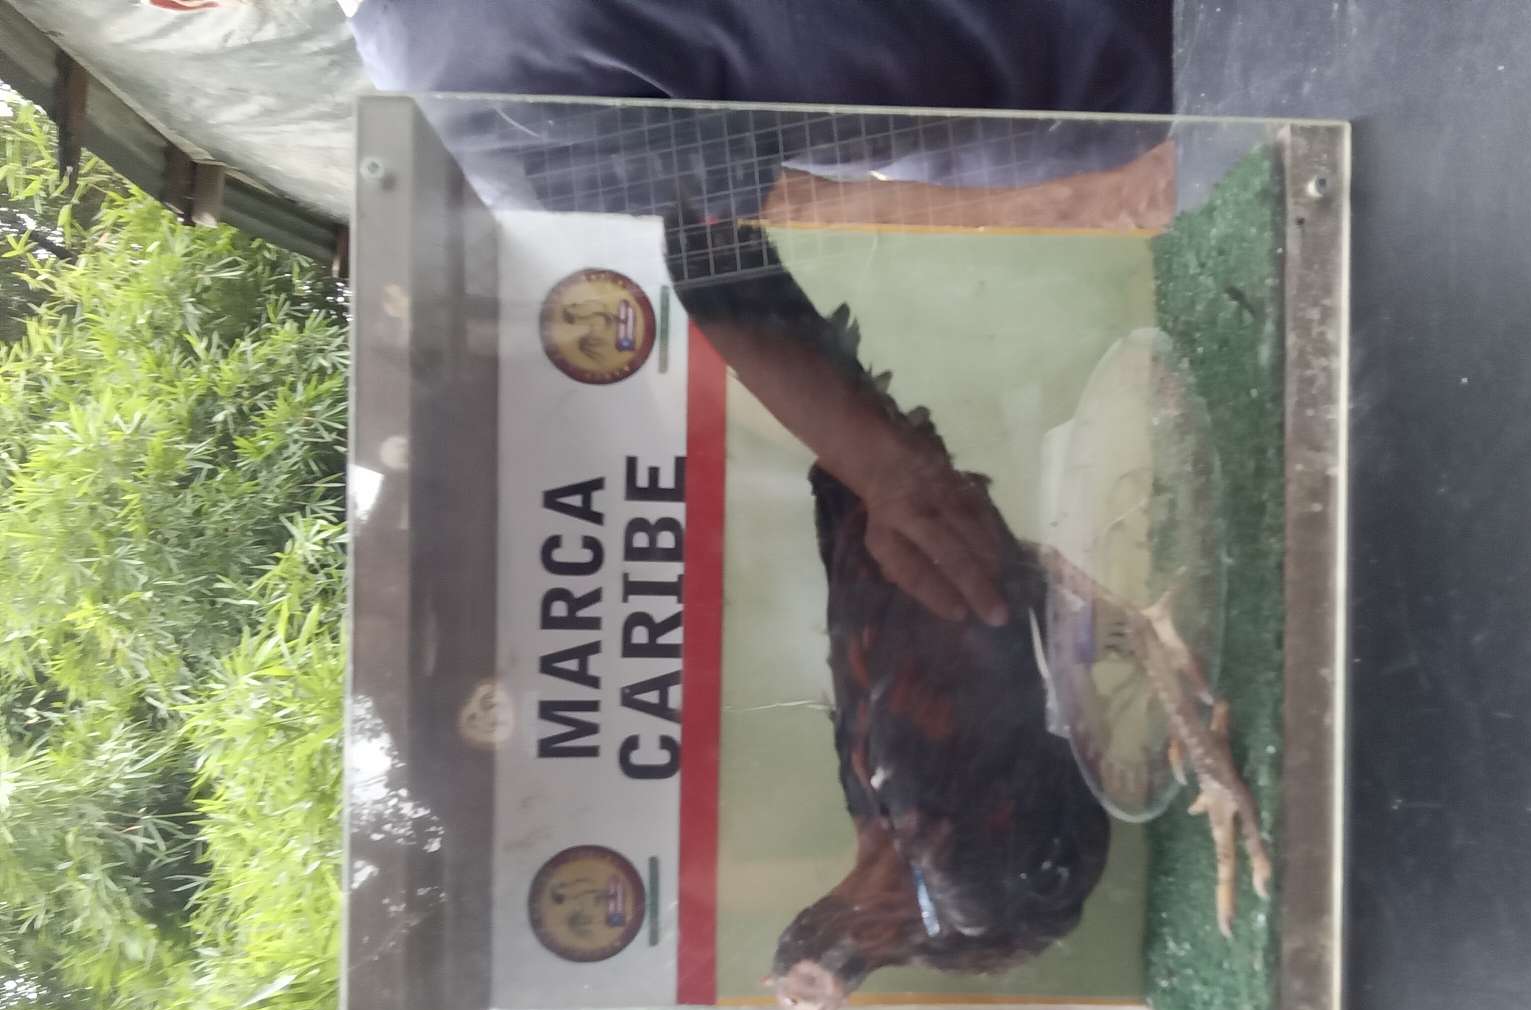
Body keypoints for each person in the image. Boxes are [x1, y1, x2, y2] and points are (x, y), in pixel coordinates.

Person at [347, 0, 1173, 624]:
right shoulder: (456, 80)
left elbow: (737, 246)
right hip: (1091, 67)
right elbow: (715, 252)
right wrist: (888, 468)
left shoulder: (449, 83)